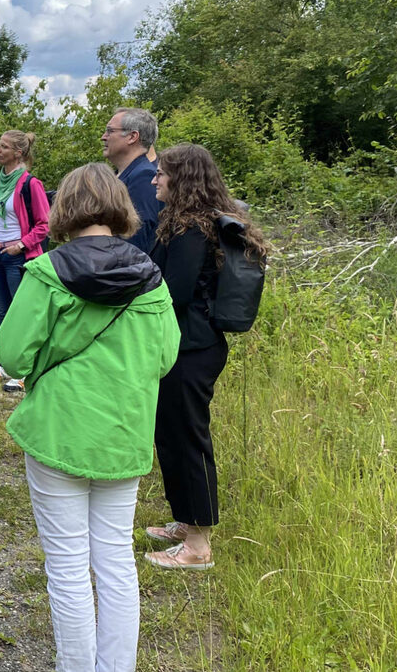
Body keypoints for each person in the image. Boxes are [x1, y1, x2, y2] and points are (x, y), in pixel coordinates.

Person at [0, 162, 179, 672]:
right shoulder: (151, 277)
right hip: (124, 432)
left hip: (58, 429)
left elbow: (11, 356)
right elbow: (166, 357)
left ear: (64, 210)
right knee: (116, 560)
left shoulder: (46, 273)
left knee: (68, 566)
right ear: (121, 206)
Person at [144, 144, 270, 570]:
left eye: (161, 173)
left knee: (188, 439)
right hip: (186, 345)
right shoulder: (184, 224)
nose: (155, 179)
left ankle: (198, 547)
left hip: (192, 347)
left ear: (182, 179)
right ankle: (186, 520)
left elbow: (172, 292)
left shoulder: (192, 230)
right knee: (171, 434)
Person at [0, 130, 50, 391]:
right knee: (3, 311)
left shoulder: (29, 184)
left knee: (21, 313)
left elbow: (45, 224)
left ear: (18, 153)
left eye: (4, 146)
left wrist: (21, 244)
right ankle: (5, 362)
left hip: (18, 257)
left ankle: (24, 368)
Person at [101, 107, 161, 252]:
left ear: (132, 137)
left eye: (110, 131)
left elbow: (135, 240)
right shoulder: (122, 175)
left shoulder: (144, 177)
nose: (103, 136)